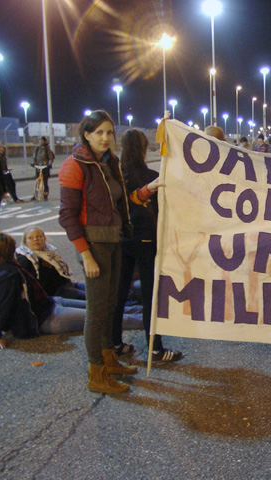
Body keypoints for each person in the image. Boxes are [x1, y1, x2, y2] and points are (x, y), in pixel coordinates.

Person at [59, 109, 136, 394]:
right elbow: (67, 215)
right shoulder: (74, 165)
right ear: (87, 135)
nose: (105, 138)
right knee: (96, 311)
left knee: (110, 305)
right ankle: (96, 374)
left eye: (109, 132)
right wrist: (86, 254)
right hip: (94, 245)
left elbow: (116, 203)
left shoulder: (109, 162)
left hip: (113, 240)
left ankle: (109, 359)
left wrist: (144, 193)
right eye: (99, 132)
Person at [0, 232, 141, 351]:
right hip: (46, 318)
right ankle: (152, 321)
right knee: (105, 317)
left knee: (104, 307)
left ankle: (147, 312)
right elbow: (1, 304)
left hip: (50, 302)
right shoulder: (7, 275)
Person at [112, 128, 182, 362]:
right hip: (146, 238)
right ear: (144, 148)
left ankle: (115, 342)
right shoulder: (151, 175)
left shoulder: (117, 174)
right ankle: (155, 347)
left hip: (122, 239)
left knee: (120, 291)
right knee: (151, 292)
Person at [16, 227, 86, 299]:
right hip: (56, 292)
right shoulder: (26, 259)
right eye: (30, 238)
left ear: (44, 238)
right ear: (25, 241)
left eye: (39, 236)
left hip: (67, 284)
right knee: (91, 298)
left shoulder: (49, 252)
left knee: (95, 290)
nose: (35, 239)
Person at [32, 136, 55, 201]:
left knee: (45, 181)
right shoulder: (37, 149)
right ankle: (35, 195)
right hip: (38, 166)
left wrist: (48, 164)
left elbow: (51, 158)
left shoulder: (47, 149)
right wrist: (33, 163)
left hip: (45, 167)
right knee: (37, 180)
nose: (41, 142)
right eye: (40, 141)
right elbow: (34, 156)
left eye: (42, 141)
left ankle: (45, 195)